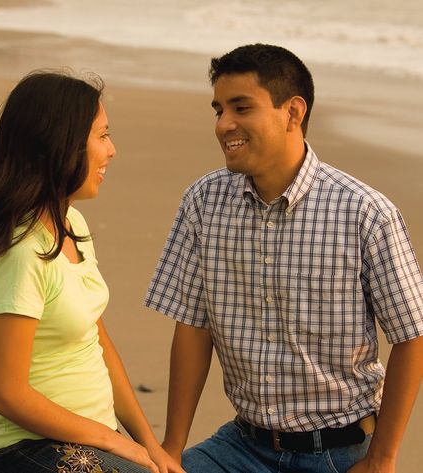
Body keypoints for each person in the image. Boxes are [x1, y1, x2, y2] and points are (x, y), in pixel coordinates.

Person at [145, 44, 423, 473]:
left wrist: (382, 460)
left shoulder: (365, 212)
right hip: (241, 446)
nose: (224, 125)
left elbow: (411, 335)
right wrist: (171, 448)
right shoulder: (203, 201)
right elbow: (193, 327)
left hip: (341, 451)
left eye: (241, 107)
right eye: (218, 110)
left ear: (293, 112)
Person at [0, 71, 184, 473]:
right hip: (28, 450)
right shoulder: (21, 253)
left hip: (90, 439)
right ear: (62, 145)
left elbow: (97, 342)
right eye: (102, 136)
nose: (112, 150)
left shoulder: (73, 224)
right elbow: (5, 393)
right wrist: (111, 440)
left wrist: (148, 445)